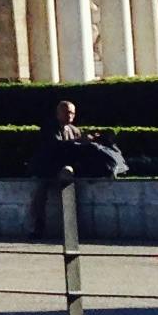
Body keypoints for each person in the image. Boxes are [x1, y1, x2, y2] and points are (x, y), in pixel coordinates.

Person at [28, 97, 123, 234]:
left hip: (67, 167)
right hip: (47, 167)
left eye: (72, 113)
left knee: (69, 179)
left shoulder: (74, 130)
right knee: (41, 189)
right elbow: (55, 147)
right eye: (67, 113)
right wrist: (79, 141)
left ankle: (71, 226)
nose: (70, 116)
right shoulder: (49, 128)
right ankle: (38, 225)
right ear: (58, 113)